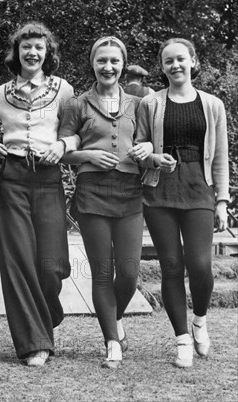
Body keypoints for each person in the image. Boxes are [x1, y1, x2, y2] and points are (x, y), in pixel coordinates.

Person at [0, 22, 77, 367]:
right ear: (16, 53)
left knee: (52, 264)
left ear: (48, 54)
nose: (32, 53)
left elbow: (77, 133)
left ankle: (48, 316)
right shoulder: (0, 94)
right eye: (25, 47)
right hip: (13, 178)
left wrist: (62, 144)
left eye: (39, 48)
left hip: (49, 177)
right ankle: (34, 344)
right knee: (17, 261)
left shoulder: (63, 90)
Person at [58, 37, 152, 369]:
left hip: (129, 190)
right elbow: (63, 151)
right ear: (92, 63)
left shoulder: (139, 103)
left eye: (114, 61)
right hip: (92, 191)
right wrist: (88, 154)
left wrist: (147, 150)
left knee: (128, 272)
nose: (108, 67)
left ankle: (115, 319)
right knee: (102, 272)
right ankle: (112, 341)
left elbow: (149, 141)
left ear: (123, 64)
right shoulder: (76, 104)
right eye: (102, 61)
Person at [136, 38, 229, 368]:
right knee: (172, 265)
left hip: (198, 189)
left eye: (180, 59)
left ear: (193, 61)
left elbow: (220, 157)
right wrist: (153, 158)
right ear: (162, 67)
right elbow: (140, 147)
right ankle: (182, 340)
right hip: (159, 191)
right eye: (168, 61)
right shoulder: (151, 103)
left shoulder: (213, 104)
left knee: (201, 265)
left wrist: (221, 200)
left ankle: (200, 320)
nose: (175, 65)